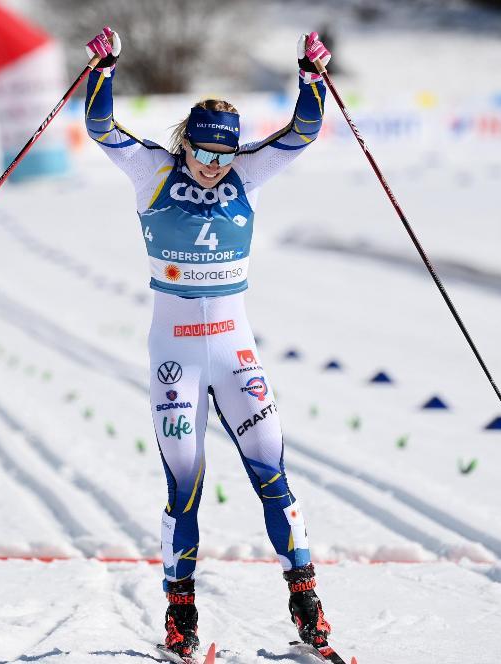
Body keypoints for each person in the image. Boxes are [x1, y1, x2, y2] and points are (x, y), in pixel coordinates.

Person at [83, 27, 340, 661]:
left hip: (233, 351)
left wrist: (310, 77)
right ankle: (180, 613)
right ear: (186, 142)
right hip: (175, 356)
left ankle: (307, 604)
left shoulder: (246, 174)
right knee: (185, 485)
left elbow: (301, 134)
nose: (213, 166)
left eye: (224, 157)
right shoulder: (152, 170)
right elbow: (101, 128)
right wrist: (105, 69)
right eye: (203, 153)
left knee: (271, 472)